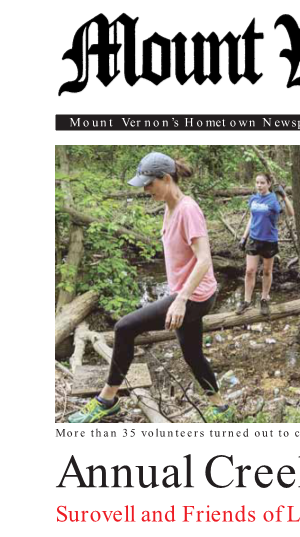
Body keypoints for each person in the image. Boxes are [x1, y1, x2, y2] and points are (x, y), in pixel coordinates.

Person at [69, 152, 236, 423]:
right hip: (186, 293)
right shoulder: (170, 208)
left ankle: (106, 400)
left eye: (149, 184)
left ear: (166, 178)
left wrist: (180, 299)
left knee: (124, 327)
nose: (146, 190)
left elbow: (204, 259)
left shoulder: (187, 209)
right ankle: (220, 407)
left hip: (195, 295)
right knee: (192, 353)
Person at [239, 175, 293, 314]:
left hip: (269, 240)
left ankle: (264, 299)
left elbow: (290, 213)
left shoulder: (273, 200)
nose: (259, 185)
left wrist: (284, 196)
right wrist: (244, 237)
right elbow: (252, 218)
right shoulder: (254, 199)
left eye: (262, 183)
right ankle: (246, 301)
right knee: (250, 271)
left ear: (269, 184)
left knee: (267, 271)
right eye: (257, 183)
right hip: (254, 239)